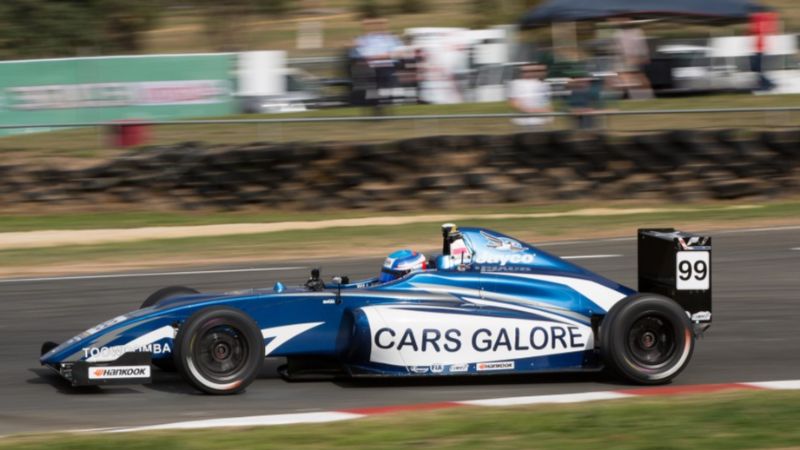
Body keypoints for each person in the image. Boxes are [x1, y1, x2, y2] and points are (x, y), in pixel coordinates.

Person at [354, 17, 403, 109]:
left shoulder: (388, 39)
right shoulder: (367, 40)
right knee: (376, 83)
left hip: (386, 66)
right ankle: (377, 102)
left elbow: (393, 54)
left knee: (386, 81)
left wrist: (377, 57)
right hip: (374, 67)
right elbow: (366, 55)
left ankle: (385, 101)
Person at [612, 18, 652, 100]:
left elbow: (642, 46)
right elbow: (619, 49)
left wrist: (643, 57)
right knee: (628, 81)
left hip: (634, 60)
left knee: (637, 81)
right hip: (625, 60)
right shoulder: (618, 34)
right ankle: (642, 99)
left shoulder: (636, 32)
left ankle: (645, 99)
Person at [508, 63, 552, 128]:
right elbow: (514, 103)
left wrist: (549, 116)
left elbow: (546, 102)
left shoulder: (544, 84)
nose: (529, 73)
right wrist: (537, 111)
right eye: (525, 71)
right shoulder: (516, 83)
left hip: (541, 122)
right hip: (523, 123)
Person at [749, 11, 778, 92]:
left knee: (758, 70)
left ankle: (768, 84)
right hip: (758, 49)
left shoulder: (762, 24)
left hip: (761, 50)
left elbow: (758, 29)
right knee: (757, 69)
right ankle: (767, 84)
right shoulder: (761, 24)